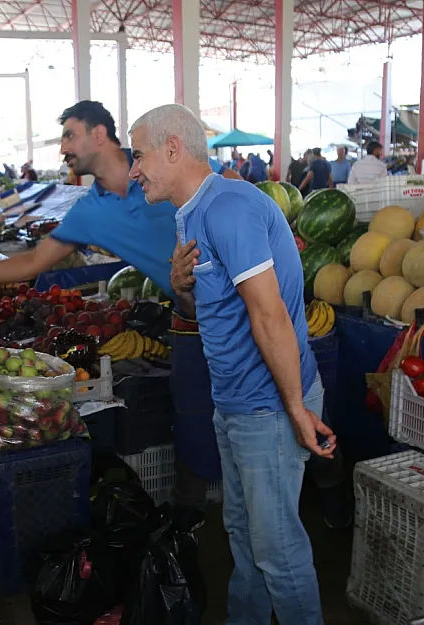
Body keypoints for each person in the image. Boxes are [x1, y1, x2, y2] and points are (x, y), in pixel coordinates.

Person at [0, 100, 219, 509]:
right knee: (191, 418)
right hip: (188, 318)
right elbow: (32, 262)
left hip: (235, 310)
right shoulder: (90, 211)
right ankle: (189, 516)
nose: (63, 148)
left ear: (99, 134)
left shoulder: (166, 174)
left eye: (70, 135)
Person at [134, 104, 331, 624]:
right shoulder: (192, 216)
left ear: (172, 148)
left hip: (269, 408)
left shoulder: (229, 208)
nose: (135, 170)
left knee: (278, 551)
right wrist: (181, 290)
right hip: (238, 406)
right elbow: (214, 312)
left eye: (139, 155)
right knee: (245, 539)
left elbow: (269, 316)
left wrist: (294, 410)